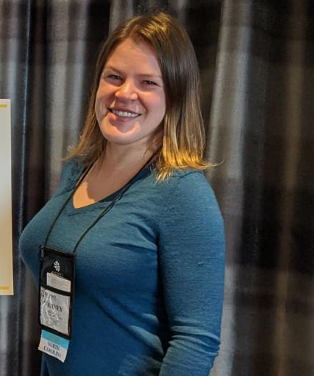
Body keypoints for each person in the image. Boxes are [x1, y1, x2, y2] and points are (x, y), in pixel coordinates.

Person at [19, 12, 224, 376]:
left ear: (174, 97)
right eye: (114, 76)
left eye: (148, 82)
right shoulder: (78, 167)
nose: (125, 93)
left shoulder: (182, 193)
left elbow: (195, 340)